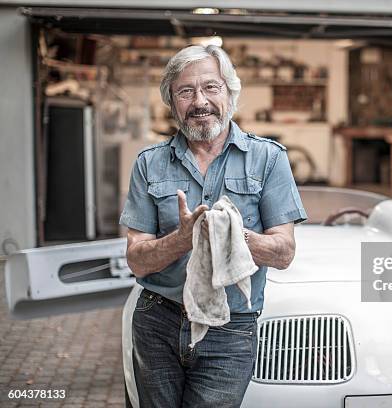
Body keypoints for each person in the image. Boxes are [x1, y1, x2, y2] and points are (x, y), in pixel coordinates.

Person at [119, 44, 307, 407]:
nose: (199, 100)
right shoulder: (149, 164)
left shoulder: (269, 159)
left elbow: (283, 253)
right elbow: (137, 261)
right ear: (172, 103)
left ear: (230, 94)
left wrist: (231, 233)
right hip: (157, 320)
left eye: (211, 87)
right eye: (185, 91)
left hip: (231, 328)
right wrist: (182, 239)